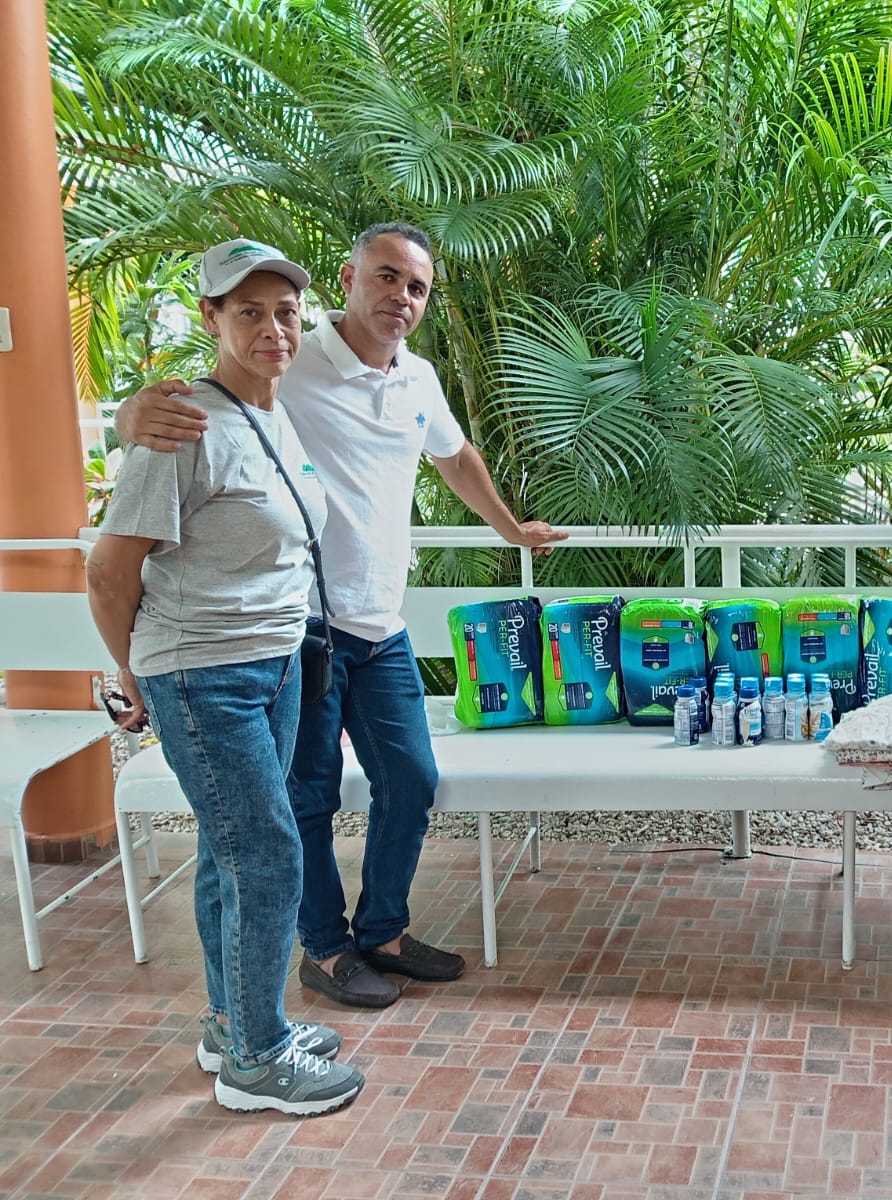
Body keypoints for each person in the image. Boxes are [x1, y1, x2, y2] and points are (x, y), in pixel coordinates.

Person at [116, 223, 568, 1009]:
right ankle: (325, 948)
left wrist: (508, 527)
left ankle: (383, 932)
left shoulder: (418, 379)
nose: (401, 296)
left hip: (380, 622)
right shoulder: (291, 359)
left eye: (417, 286)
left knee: (412, 777)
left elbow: (454, 454)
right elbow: (206, 399)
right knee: (308, 797)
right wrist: (130, 415)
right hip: (301, 629)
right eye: (386, 276)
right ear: (349, 279)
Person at [87, 240, 364, 1115]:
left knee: (228, 852)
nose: (273, 328)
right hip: (203, 674)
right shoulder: (180, 427)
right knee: (270, 852)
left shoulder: (270, 413)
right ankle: (259, 1058)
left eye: (285, 311)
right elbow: (109, 570)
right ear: (211, 318)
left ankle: (233, 1024)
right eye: (248, 312)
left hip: (273, 663)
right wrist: (132, 675)